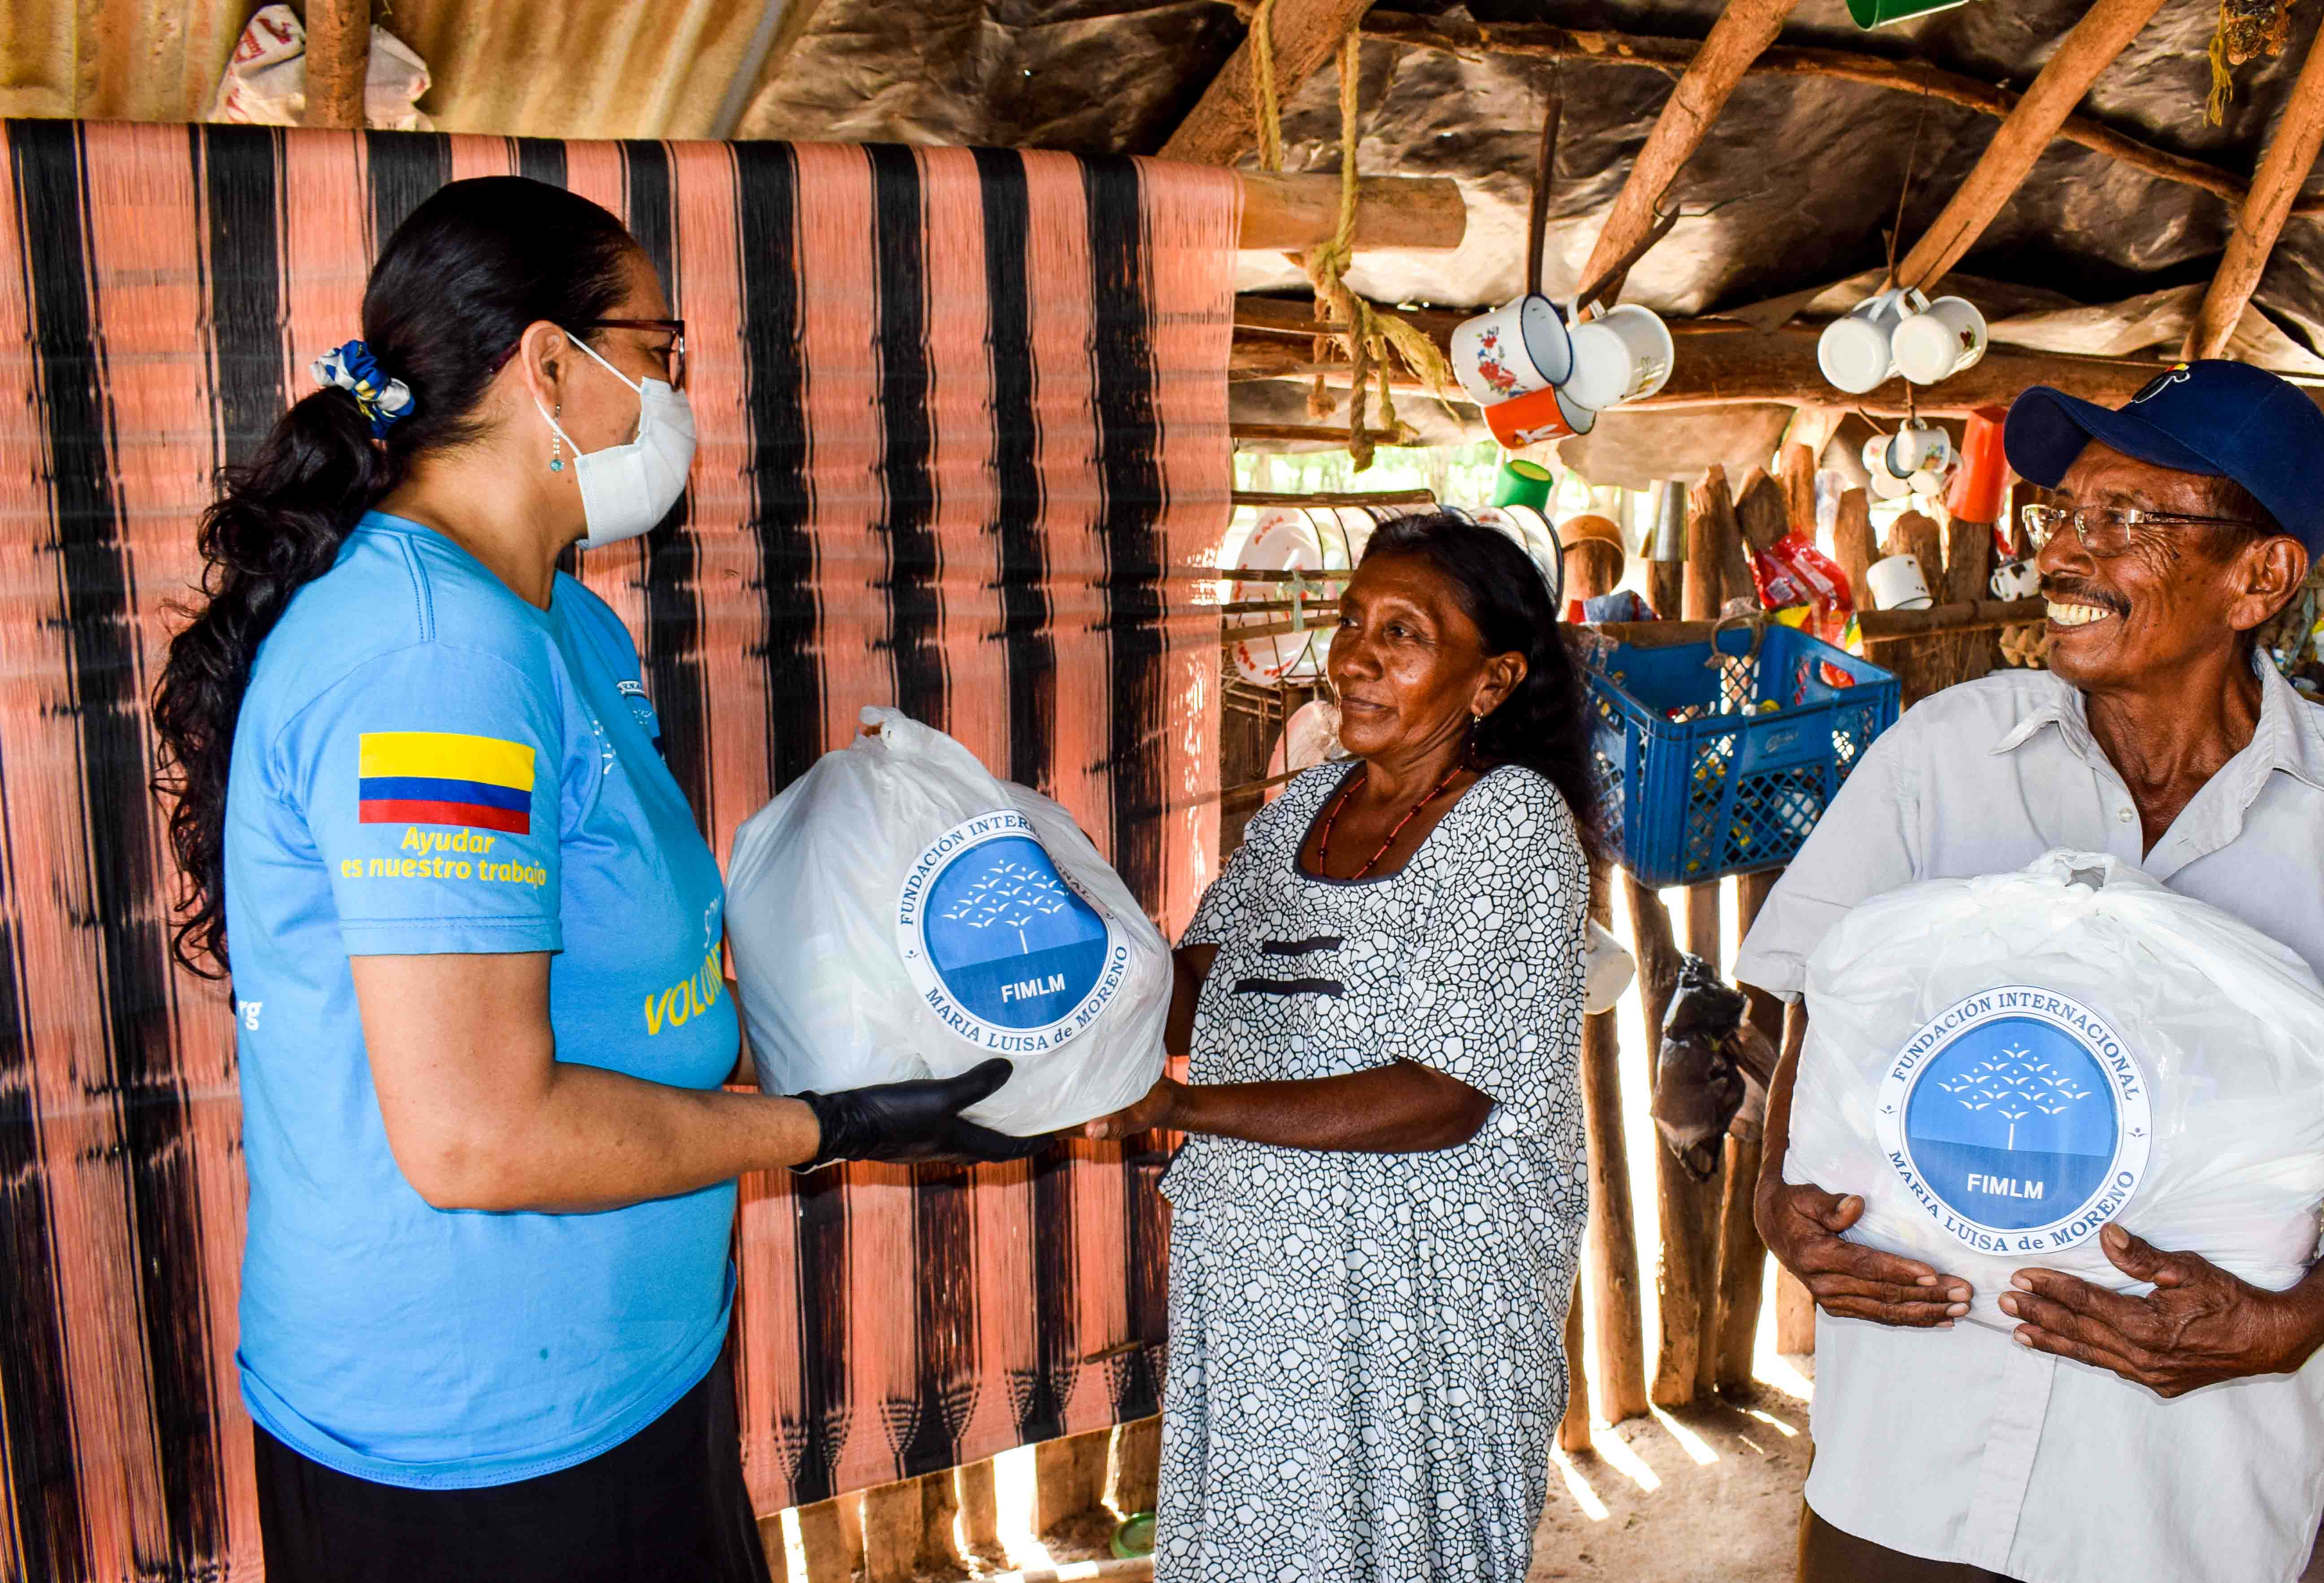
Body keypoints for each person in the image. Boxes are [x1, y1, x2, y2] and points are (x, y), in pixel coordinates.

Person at [151, 176, 1038, 1583]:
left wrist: (884, 1019)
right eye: (663, 351)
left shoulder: (555, 615)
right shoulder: (429, 663)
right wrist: (827, 1123)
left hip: (613, 1370)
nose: (676, 395)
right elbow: (477, 1138)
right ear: (551, 362)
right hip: (480, 1437)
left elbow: (630, 970)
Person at [1736, 360, 2324, 1583]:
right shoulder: (1944, 755)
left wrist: (2294, 1318)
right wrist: (1772, 1197)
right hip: (1913, 1436)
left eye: (2123, 520)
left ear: (2258, 577)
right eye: (2058, 515)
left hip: (2174, 1474)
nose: (2061, 556)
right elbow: (1812, 989)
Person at [1086, 511, 1596, 1582]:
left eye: (1404, 634)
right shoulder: (1305, 807)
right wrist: (1078, 957)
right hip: (1264, 1279)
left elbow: (1446, 1095)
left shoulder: (1512, 823)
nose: (1355, 655)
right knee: (1259, 1543)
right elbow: (1193, 996)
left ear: (1491, 681)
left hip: (1418, 1303)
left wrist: (1182, 1110)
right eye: (1353, 620)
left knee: (1399, 1550)